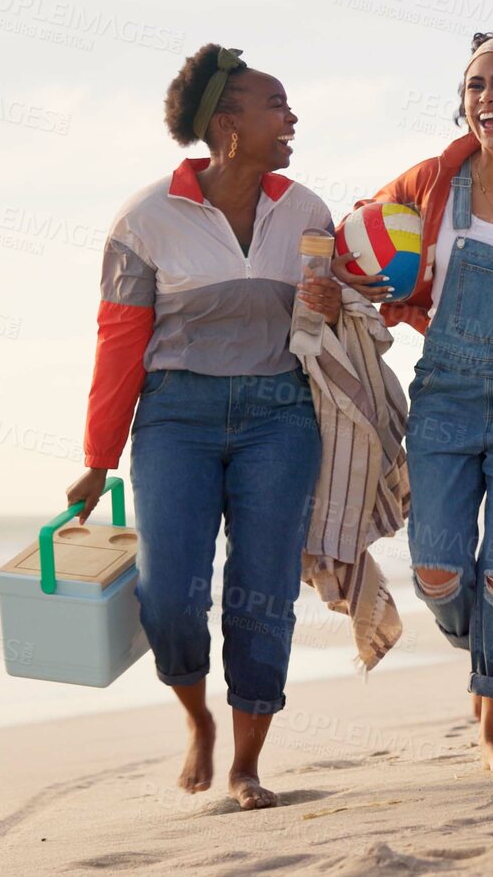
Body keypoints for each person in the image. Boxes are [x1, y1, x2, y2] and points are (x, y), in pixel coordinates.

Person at [64, 44, 341, 811]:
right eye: (275, 106)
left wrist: (331, 303)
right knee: (170, 597)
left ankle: (248, 763)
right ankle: (197, 716)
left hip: (278, 416)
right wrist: (97, 456)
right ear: (227, 125)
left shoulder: (307, 210)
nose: (290, 119)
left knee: (263, 594)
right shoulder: (147, 217)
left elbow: (324, 323)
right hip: (175, 418)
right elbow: (119, 342)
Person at [336, 20, 493, 772]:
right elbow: (363, 239)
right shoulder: (431, 184)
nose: (485, 96)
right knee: (439, 572)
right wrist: (373, 292)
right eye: (474, 85)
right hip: (444, 396)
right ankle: (489, 650)